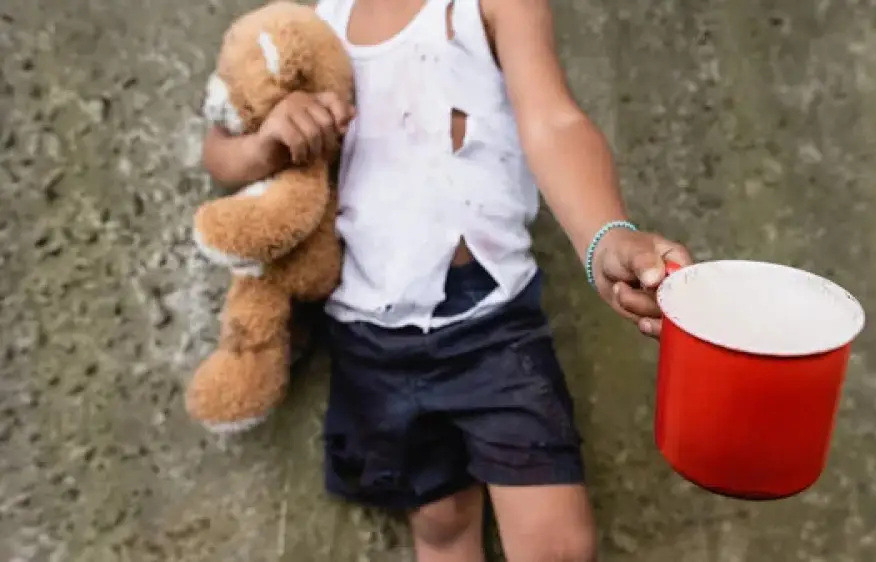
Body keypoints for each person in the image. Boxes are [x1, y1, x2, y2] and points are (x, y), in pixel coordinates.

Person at [201, 0, 693, 559]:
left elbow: (553, 122)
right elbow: (219, 148)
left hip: (492, 322)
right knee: (440, 519)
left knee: (557, 544)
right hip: (367, 332)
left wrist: (606, 237)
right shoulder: (316, 17)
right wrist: (267, 142)